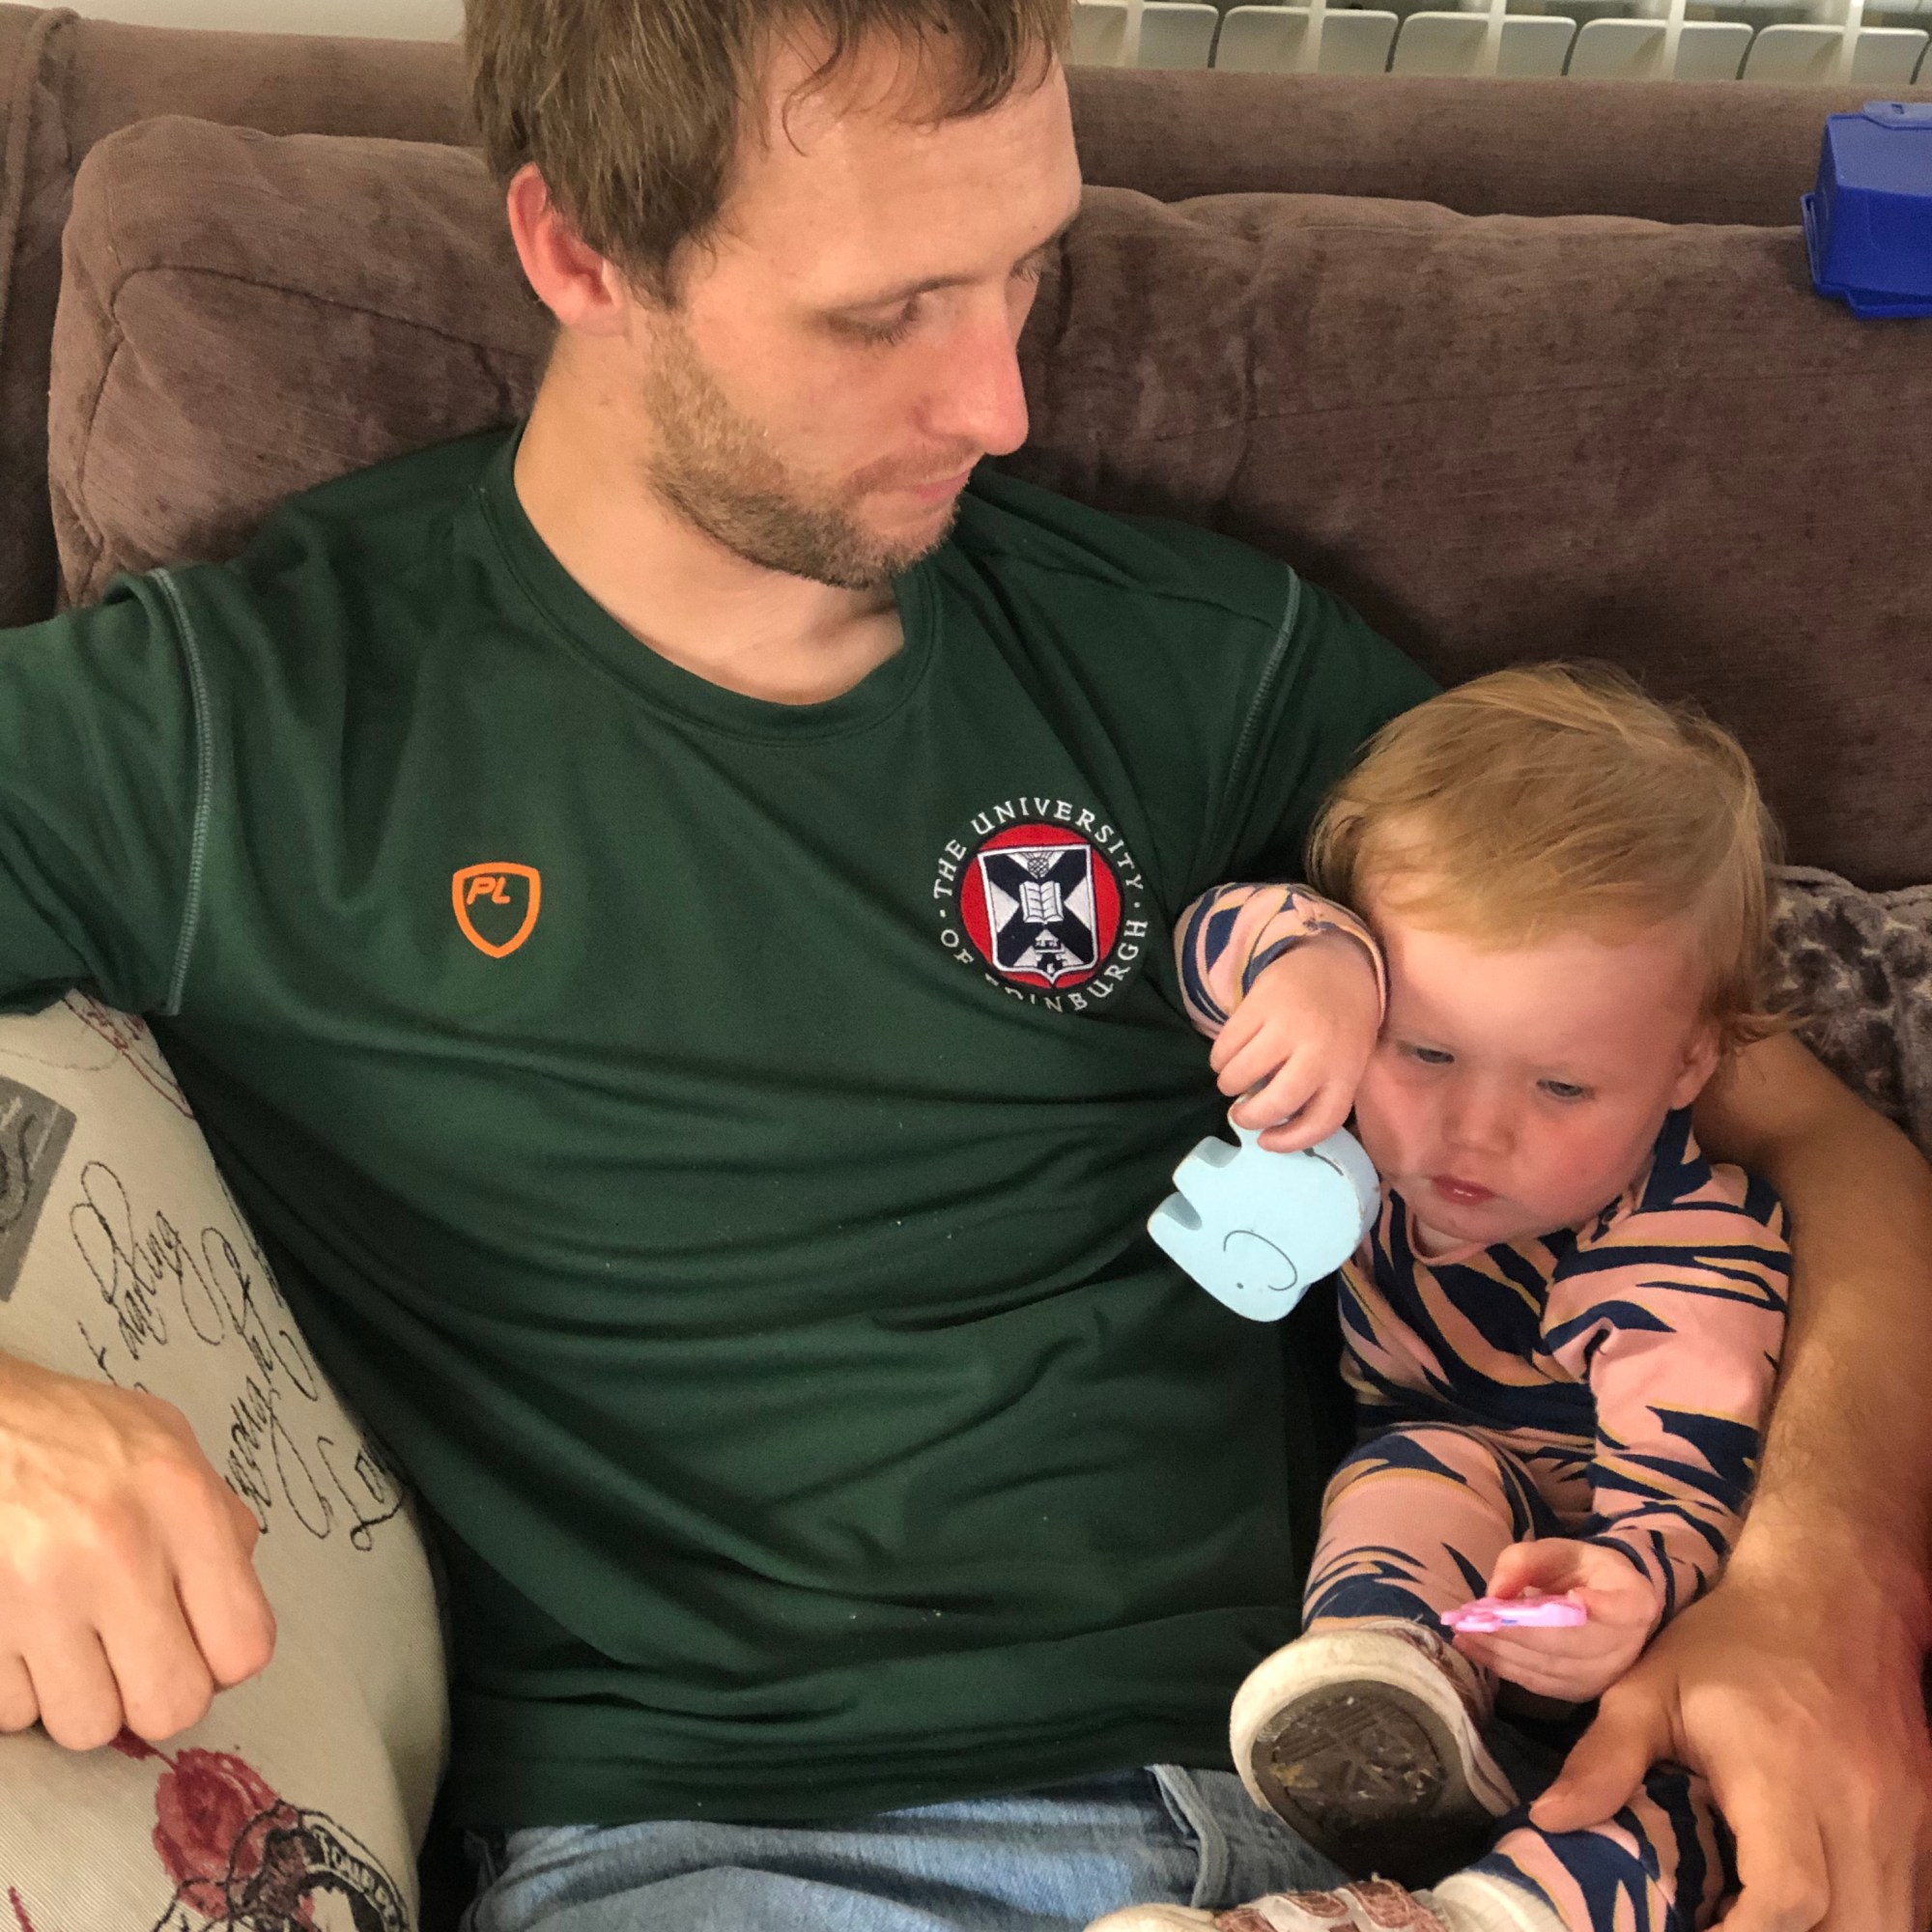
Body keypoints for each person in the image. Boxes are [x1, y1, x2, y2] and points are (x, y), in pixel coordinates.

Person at [0, 4, 1924, 1928]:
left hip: (1388, 1794)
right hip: (745, 1851)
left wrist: (1826, 1585)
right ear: (580, 249)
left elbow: (1800, 1129)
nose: (998, 405)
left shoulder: (1199, 668)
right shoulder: (240, 728)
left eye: (1022, 270)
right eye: (886, 312)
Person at [1093, 666, 1789, 1932]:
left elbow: (1687, 1489)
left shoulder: (1678, 1244)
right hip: (1457, 1543)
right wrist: (1309, 969)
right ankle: (1385, 1679)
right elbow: (1204, 938)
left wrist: (1626, 1589)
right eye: (1425, 1051)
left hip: (1636, 1616)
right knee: (1418, 1465)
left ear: (1691, 1059)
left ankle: (1450, 1919)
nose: (1475, 1133)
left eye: (1562, 1089)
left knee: (1674, 1802)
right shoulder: (1362, 1120)